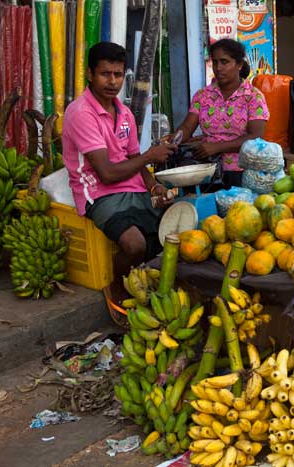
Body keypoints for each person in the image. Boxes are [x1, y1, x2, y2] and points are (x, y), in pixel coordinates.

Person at [61, 42, 177, 319]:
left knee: (175, 231)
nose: (112, 82)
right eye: (105, 74)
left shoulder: (124, 114)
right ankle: (116, 289)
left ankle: (143, 281)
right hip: (98, 193)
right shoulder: (81, 113)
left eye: (117, 74)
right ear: (90, 74)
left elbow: (133, 157)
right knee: (134, 245)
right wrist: (151, 155)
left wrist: (154, 186)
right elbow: (108, 173)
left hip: (134, 188)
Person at [171, 39, 269, 188]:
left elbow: (255, 138)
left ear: (239, 65)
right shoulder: (203, 96)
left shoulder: (253, 97)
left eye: (225, 62)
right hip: (207, 169)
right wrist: (173, 141)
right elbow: (186, 128)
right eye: (215, 62)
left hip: (243, 172)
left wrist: (217, 147)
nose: (218, 68)